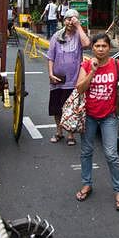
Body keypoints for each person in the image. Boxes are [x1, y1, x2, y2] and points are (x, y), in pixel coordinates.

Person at [75, 33, 119, 210]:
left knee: (111, 155)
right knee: (86, 152)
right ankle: (86, 184)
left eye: (103, 46)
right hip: (89, 116)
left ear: (109, 47)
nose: (100, 49)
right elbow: (80, 88)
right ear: (92, 48)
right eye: (97, 46)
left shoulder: (116, 64)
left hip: (109, 117)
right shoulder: (86, 64)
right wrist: (92, 70)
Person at [47, 9, 90, 146]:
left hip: (73, 79)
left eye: (73, 19)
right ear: (63, 20)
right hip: (58, 78)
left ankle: (70, 134)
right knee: (56, 107)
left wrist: (78, 26)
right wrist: (50, 73)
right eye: (67, 18)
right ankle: (59, 131)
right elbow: (50, 57)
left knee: (71, 108)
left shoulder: (79, 35)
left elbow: (86, 44)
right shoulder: (56, 36)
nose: (70, 21)